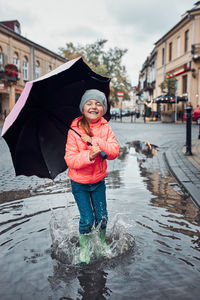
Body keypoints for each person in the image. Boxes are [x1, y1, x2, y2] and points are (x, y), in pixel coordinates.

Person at [64, 89, 119, 264]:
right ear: (83, 108)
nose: (93, 106)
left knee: (102, 217)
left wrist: (96, 141)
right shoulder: (74, 130)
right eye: (89, 103)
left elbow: (114, 151)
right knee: (87, 219)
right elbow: (70, 159)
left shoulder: (106, 127)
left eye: (98, 103)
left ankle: (101, 243)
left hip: (98, 181)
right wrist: (89, 156)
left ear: (103, 109)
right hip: (79, 183)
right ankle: (85, 248)